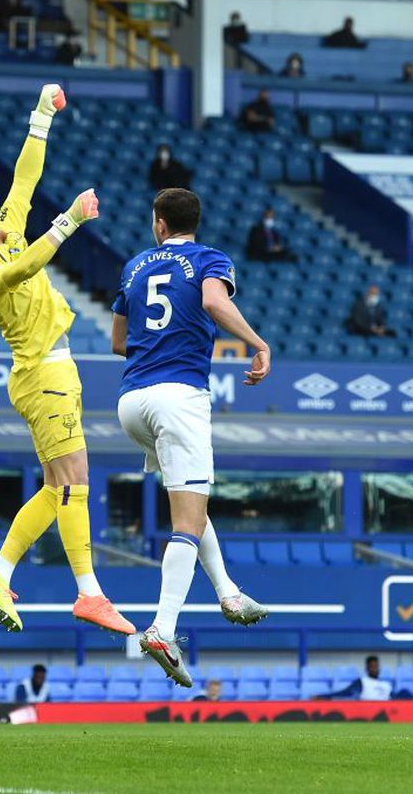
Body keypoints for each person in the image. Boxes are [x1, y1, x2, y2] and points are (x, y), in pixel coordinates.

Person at [0, 84, 134, 637]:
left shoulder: (9, 231)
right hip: (43, 375)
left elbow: (25, 177)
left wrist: (41, 115)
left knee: (56, 488)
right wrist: (68, 221)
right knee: (76, 483)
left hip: (50, 372)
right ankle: (89, 593)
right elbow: (20, 272)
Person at [111, 188, 270, 689]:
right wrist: (258, 343)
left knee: (190, 507)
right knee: (186, 517)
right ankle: (162, 628)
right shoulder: (208, 258)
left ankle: (228, 592)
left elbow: (119, 341)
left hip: (131, 401)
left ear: (158, 223)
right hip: (180, 398)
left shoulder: (134, 267)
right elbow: (211, 299)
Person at [315, 655, 395, 700]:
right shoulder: (362, 682)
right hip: (369, 711)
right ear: (366, 668)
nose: (374, 669)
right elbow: (345, 693)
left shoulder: (386, 685)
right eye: (372, 667)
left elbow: (396, 699)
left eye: (376, 667)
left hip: (386, 711)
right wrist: (324, 696)